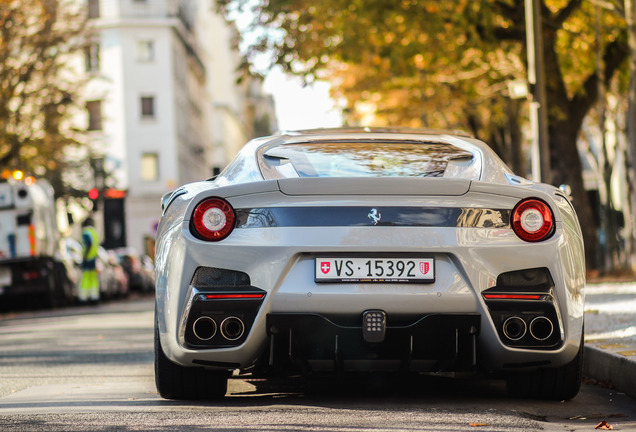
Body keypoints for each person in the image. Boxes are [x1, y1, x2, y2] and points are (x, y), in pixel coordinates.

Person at [79, 217, 100, 304]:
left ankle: (84, 297)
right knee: (93, 278)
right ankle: (94, 296)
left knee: (85, 278)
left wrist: (85, 256)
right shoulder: (94, 233)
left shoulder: (86, 232)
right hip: (93, 258)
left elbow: (88, 244)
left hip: (87, 259)